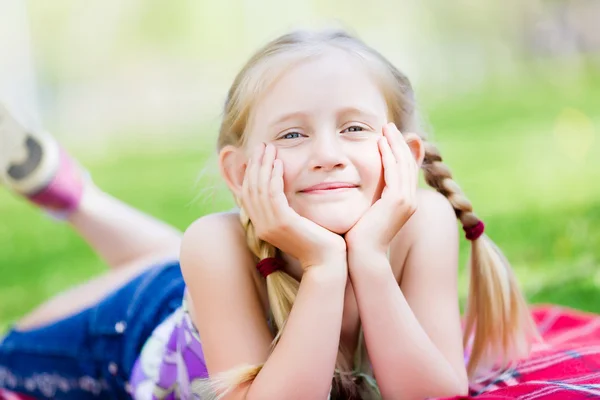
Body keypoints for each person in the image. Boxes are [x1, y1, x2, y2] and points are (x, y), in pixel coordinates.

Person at [0, 29, 540, 400]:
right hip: (136, 329)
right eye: (292, 134)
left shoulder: (424, 223)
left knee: (170, 259)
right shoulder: (215, 245)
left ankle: (72, 195)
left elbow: (431, 395)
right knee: (11, 353)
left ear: (406, 153)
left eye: (354, 127)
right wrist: (328, 268)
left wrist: (369, 262)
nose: (327, 153)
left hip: (206, 284)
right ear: (237, 173)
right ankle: (75, 199)